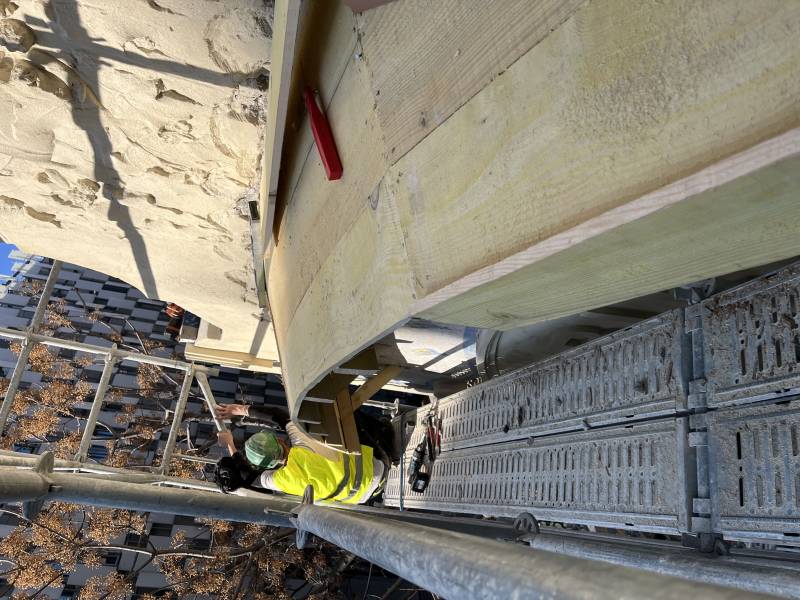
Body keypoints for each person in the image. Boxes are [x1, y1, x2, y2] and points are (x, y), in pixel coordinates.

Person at [213, 403, 391, 505]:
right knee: (346, 414)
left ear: (269, 466)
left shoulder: (280, 481)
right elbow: (279, 415)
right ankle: (387, 433)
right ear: (280, 441)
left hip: (367, 494)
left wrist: (232, 450)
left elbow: (247, 477)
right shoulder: (301, 443)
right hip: (378, 465)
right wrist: (238, 411)